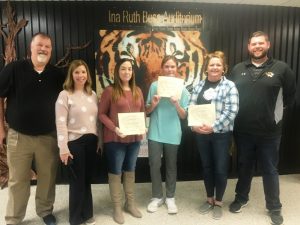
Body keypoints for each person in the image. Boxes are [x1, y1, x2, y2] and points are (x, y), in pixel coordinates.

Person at [229, 31, 296, 225]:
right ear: (248, 47)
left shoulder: (282, 68)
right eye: (253, 44)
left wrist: (273, 114)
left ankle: (274, 206)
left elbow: (290, 96)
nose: (257, 47)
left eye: (261, 43)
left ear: (268, 45)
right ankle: (241, 198)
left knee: (270, 169)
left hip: (269, 133)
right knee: (244, 167)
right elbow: (230, 96)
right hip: (243, 130)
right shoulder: (238, 69)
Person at [0, 32, 64, 225]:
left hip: (48, 137)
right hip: (18, 137)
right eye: (39, 45)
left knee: (47, 177)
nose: (43, 49)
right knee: (18, 181)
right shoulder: (14, 69)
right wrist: (1, 129)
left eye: (47, 46)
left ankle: (45, 211)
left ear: (51, 50)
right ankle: (13, 218)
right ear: (31, 47)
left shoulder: (57, 74)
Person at [189, 51, 239, 219]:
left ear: (223, 68)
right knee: (207, 167)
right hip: (201, 134)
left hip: (221, 135)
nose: (215, 67)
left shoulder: (229, 86)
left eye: (218, 64)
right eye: (212, 64)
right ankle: (209, 198)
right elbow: (191, 107)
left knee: (220, 169)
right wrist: (194, 127)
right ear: (206, 68)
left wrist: (214, 127)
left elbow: (232, 111)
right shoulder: (198, 85)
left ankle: (218, 201)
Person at [98, 58, 145, 224]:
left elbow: (142, 112)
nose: (127, 72)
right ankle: (117, 207)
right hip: (115, 138)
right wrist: (115, 128)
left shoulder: (138, 90)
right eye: (123, 69)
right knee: (116, 172)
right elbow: (101, 114)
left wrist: (143, 126)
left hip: (134, 138)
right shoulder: (109, 91)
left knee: (130, 170)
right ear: (117, 71)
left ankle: (130, 203)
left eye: (130, 69)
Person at [55, 60, 98, 225]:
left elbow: (96, 122)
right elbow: (60, 123)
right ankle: (75, 219)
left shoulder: (92, 94)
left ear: (87, 74)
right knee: (77, 182)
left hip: (92, 141)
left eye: (83, 72)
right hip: (75, 143)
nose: (81, 75)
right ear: (71, 75)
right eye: (77, 72)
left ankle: (87, 214)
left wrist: (99, 141)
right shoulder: (64, 95)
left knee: (87, 180)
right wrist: (63, 148)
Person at [146, 55, 190, 214]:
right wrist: (154, 104)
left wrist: (176, 103)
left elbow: (184, 116)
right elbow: (147, 111)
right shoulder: (154, 86)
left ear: (177, 68)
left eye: (173, 67)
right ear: (162, 68)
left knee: (171, 166)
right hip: (155, 132)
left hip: (173, 132)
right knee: (154, 165)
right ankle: (157, 197)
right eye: (167, 66)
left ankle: (170, 197)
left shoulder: (182, 89)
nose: (170, 69)